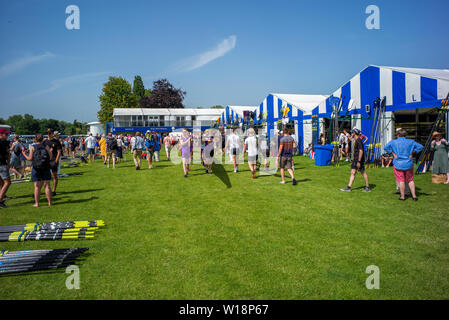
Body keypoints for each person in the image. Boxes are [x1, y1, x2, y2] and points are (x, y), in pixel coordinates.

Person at [384, 129, 423, 201]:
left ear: (398, 135)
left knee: (401, 180)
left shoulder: (394, 142)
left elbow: (385, 147)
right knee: (410, 180)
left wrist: (393, 153)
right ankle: (414, 196)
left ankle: (402, 196)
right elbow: (420, 147)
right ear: (405, 135)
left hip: (398, 163)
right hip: (408, 163)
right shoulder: (410, 141)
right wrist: (413, 153)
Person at [21, 134, 53, 207]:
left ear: (35, 139)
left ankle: (37, 203)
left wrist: (24, 154)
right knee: (47, 185)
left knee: (37, 186)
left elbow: (30, 158)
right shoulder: (46, 146)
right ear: (42, 139)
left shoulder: (32, 147)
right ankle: (50, 202)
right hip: (46, 167)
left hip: (36, 168)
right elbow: (50, 157)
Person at [44, 129, 62, 196]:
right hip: (46, 161)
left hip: (53, 161)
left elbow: (59, 152)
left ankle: (54, 191)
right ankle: (46, 190)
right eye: (47, 133)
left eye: (50, 133)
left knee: (54, 176)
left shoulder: (56, 141)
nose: (48, 134)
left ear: (52, 134)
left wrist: (56, 161)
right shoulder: (45, 141)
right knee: (45, 177)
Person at [0, 128, 12, 209]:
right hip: (2, 164)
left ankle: (2, 197)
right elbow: (8, 153)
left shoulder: (4, 142)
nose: (7, 136)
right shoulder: (3, 143)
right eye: (6, 134)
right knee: (7, 182)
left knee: (1, 182)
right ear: (1, 134)